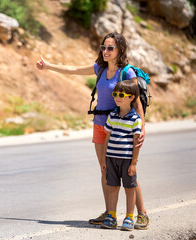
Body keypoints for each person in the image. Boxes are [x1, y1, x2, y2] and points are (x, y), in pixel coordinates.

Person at [36, 32, 149, 229]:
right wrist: (48, 66)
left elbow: (137, 103)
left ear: (120, 50)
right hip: (100, 124)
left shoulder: (127, 72)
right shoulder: (99, 68)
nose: (105, 51)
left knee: (128, 171)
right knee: (106, 169)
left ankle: (142, 214)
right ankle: (110, 213)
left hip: (122, 128)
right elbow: (73, 69)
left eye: (110, 48)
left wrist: (142, 128)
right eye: (103, 47)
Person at [100, 80, 141, 231]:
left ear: (131, 97)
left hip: (127, 160)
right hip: (111, 159)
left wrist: (134, 163)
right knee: (112, 187)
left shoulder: (135, 119)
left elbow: (136, 142)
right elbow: (107, 138)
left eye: (121, 95)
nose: (117, 97)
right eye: (115, 94)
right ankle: (111, 216)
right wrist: (104, 159)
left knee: (130, 188)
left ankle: (129, 217)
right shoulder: (112, 115)